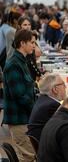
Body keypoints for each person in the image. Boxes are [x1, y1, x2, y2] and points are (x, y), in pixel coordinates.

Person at [3, 29, 36, 162]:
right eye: (32, 42)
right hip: (19, 118)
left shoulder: (21, 61)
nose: (34, 45)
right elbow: (20, 95)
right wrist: (36, 110)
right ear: (22, 43)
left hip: (24, 116)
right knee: (28, 156)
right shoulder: (13, 64)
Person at [27, 73, 66, 142]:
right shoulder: (52, 105)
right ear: (55, 89)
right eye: (63, 84)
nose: (65, 87)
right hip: (48, 146)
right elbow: (65, 128)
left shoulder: (43, 99)